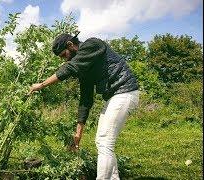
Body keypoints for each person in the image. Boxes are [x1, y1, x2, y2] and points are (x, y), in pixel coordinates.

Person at [28, 32, 139, 180]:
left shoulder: (92, 44)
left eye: (63, 55)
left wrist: (41, 85)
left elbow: (70, 67)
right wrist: (78, 135)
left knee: (104, 141)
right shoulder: (85, 67)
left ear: (70, 45)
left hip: (124, 91)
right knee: (103, 142)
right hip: (115, 96)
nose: (64, 60)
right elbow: (85, 100)